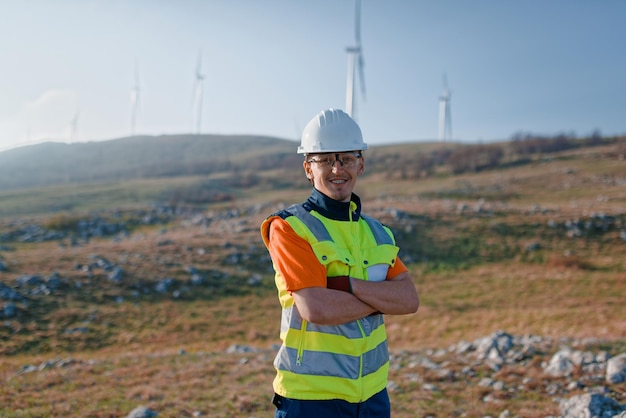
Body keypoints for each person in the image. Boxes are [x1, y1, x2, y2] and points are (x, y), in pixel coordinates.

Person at [260, 108, 419, 417]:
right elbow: (317, 309)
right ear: (308, 168)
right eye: (325, 159)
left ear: (361, 164)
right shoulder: (290, 227)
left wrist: (346, 286)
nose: (337, 169)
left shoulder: (378, 233)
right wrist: (383, 299)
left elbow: (410, 299)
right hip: (311, 399)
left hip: (372, 395)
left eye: (346, 158)